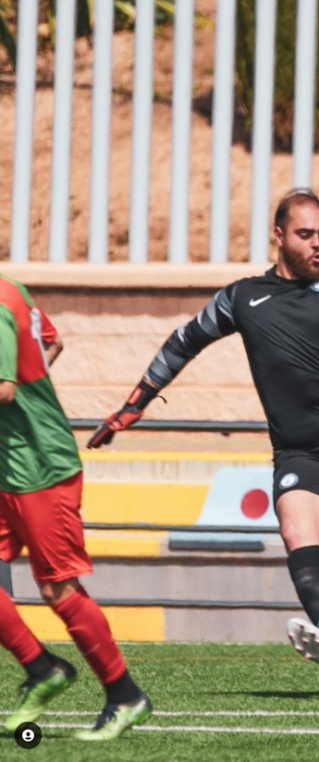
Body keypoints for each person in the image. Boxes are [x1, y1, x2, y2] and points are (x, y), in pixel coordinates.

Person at [88, 188, 319, 693]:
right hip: (306, 451)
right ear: (279, 236)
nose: (317, 244)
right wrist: (135, 403)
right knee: (298, 533)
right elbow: (184, 342)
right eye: (305, 235)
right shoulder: (244, 298)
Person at [0, 274, 152, 739]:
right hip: (12, 466)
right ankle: (42, 668)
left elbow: (3, 388)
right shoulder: (12, 289)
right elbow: (54, 342)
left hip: (40, 469)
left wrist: (24, 403)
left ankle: (125, 695)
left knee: (58, 590)